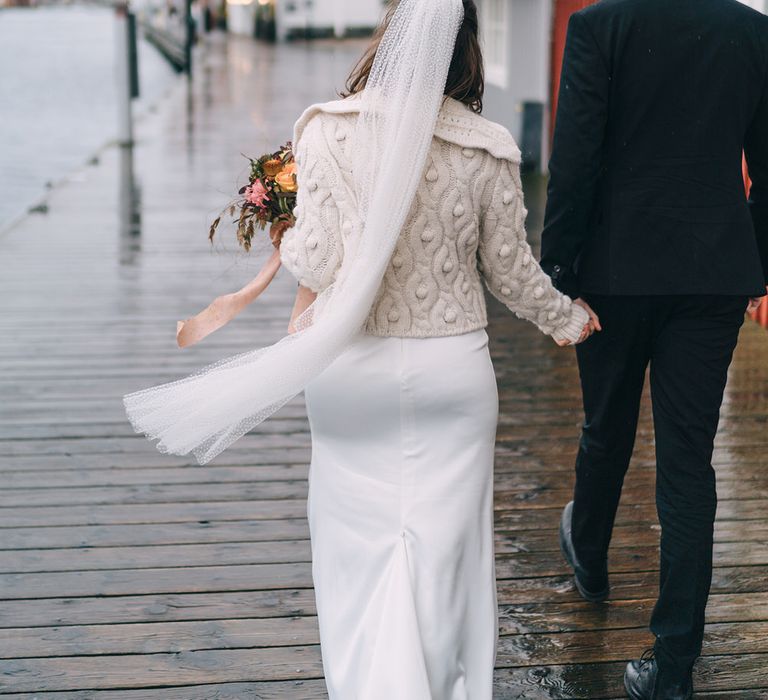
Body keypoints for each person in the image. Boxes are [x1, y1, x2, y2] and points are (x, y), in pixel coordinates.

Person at [125, 0, 592, 696]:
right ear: (468, 49)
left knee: (355, 552)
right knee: (446, 557)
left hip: (350, 374)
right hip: (451, 373)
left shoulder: (324, 131)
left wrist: (287, 249)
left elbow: (313, 262)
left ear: (391, 34)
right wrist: (567, 317)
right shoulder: (489, 146)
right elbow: (511, 272)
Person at [540, 1, 768, 698]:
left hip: (614, 272)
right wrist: (758, 263)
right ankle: (672, 667)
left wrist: (556, 271)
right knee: (688, 463)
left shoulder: (600, 26)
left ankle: (591, 557)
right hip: (712, 275)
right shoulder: (752, 31)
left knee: (606, 427)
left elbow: (575, 154)